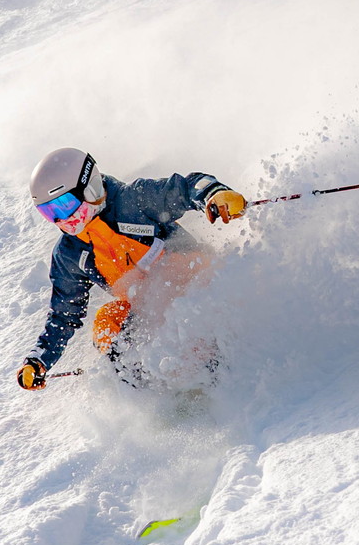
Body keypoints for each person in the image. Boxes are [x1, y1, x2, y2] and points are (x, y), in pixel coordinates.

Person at [16, 147, 246, 391]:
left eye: (63, 205)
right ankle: (156, 392)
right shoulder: (71, 254)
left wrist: (214, 195)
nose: (62, 220)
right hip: (147, 307)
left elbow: (187, 187)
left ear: (89, 187)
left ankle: (219, 361)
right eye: (48, 212)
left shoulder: (133, 201)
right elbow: (64, 315)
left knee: (168, 278)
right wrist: (38, 360)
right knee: (106, 326)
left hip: (194, 279)